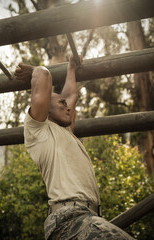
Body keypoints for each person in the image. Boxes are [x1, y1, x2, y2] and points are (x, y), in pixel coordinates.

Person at [14, 56, 135, 240]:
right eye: (62, 104)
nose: (68, 107)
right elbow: (44, 75)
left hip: (87, 218)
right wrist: (33, 71)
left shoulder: (66, 133)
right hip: (69, 219)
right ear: (46, 109)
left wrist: (71, 68)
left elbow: (71, 95)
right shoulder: (39, 131)